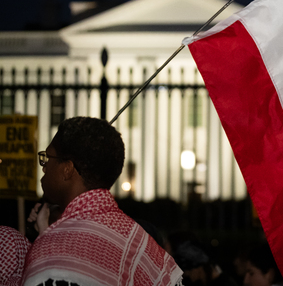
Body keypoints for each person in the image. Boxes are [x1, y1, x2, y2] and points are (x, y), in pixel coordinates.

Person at [21, 116, 183, 286]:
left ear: (67, 169)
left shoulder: (54, 250)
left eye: (48, 158)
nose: (44, 167)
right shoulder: (139, 241)